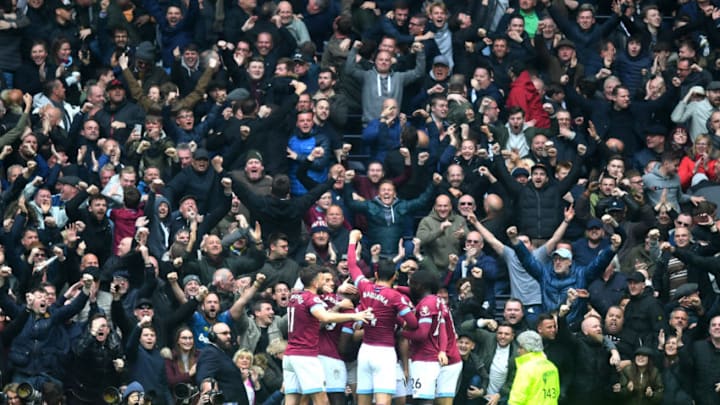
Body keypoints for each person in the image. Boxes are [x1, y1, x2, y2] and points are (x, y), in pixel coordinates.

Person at [283, 265, 373, 405]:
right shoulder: (312, 299)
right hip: (304, 355)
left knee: (292, 400)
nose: (324, 283)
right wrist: (356, 315)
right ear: (315, 282)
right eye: (322, 280)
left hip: (289, 355)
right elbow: (324, 317)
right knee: (322, 400)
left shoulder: (295, 296)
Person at [348, 230, 418, 405]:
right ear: (394, 277)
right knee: (383, 400)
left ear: (377, 275)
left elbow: (352, 265)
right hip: (384, 352)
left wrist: (352, 241)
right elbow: (413, 323)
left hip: (365, 351)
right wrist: (399, 321)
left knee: (362, 400)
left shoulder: (365, 286)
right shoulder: (395, 297)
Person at [508, 330, 560, 405]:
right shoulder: (551, 366)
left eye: (520, 347)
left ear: (528, 348)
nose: (518, 350)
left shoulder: (526, 369)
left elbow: (517, 398)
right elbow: (556, 392)